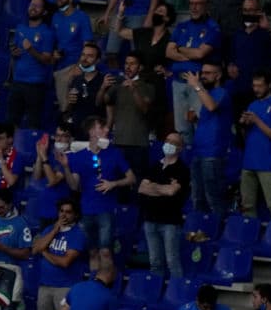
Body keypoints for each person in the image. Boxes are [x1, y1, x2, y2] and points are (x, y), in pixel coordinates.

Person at [60, 115, 136, 270]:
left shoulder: (114, 153)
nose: (107, 130)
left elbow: (132, 178)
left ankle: (106, 285)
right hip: (87, 210)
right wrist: (66, 167)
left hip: (106, 210)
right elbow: (74, 186)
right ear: (92, 131)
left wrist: (113, 183)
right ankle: (95, 284)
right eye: (102, 127)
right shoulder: (78, 157)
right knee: (93, 252)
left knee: (105, 251)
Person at [167, 0, 222, 144]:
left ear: (206, 6)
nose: (194, 7)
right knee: (182, 129)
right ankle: (186, 161)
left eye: (198, 3)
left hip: (198, 84)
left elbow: (200, 54)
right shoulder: (182, 26)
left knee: (200, 124)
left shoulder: (213, 28)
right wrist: (188, 52)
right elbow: (168, 52)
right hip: (178, 82)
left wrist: (180, 49)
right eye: (191, 3)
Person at [138, 131, 189, 279]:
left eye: (173, 143)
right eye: (167, 140)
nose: (169, 144)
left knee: (172, 261)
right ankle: (156, 292)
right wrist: (163, 188)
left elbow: (172, 192)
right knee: (155, 261)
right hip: (150, 220)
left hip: (170, 222)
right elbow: (142, 188)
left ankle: (177, 294)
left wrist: (153, 187)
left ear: (180, 148)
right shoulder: (154, 166)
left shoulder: (182, 170)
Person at [33, 198, 86, 310]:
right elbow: (35, 249)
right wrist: (55, 230)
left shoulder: (77, 234)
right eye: (61, 211)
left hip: (66, 287)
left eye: (68, 212)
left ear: (75, 215)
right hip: (44, 286)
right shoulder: (50, 229)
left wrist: (45, 252)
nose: (63, 215)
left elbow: (65, 262)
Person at [186, 62, 232, 218]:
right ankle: (200, 233)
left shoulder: (222, 93)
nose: (203, 76)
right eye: (202, 72)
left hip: (213, 152)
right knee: (197, 197)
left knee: (213, 197)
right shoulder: (207, 92)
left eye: (207, 73)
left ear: (218, 75)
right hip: (198, 151)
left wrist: (197, 86)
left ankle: (218, 232)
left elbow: (212, 107)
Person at [99, 52, 155, 175]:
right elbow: (100, 102)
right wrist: (103, 87)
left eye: (132, 64)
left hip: (138, 143)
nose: (128, 67)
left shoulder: (148, 87)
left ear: (140, 67)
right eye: (126, 63)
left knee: (138, 183)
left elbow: (144, 108)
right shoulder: (118, 85)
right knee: (118, 182)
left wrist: (133, 90)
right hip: (118, 142)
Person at [239, 73, 271, 220]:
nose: (256, 89)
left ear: (269, 85)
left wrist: (257, 120)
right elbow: (244, 134)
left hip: (268, 163)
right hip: (249, 162)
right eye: (254, 86)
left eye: (260, 86)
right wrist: (243, 123)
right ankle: (248, 235)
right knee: (247, 205)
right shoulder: (252, 105)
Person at [227, 0, 271, 110]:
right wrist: (231, 66)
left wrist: (268, 27)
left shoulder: (267, 32)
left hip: (261, 90)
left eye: (251, 10)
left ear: (259, 11)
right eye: (245, 10)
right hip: (240, 88)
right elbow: (232, 57)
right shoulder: (237, 33)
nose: (247, 13)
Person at [8, 0, 56, 129]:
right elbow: (16, 50)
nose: (33, 8)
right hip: (17, 81)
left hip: (35, 85)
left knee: (32, 124)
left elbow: (47, 59)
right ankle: (9, 150)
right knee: (11, 122)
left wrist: (31, 50)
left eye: (37, 6)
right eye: (31, 5)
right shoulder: (20, 28)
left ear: (44, 11)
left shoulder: (47, 33)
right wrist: (14, 52)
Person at [0, 188, 32, 310]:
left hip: (8, 272)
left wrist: (3, 248)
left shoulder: (20, 224)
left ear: (10, 204)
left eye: (1, 207)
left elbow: (25, 254)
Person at [30, 124, 74, 229]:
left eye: (63, 136)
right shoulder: (50, 155)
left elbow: (53, 180)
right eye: (57, 135)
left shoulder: (71, 157)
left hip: (61, 211)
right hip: (45, 208)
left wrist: (44, 156)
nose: (59, 139)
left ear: (70, 139)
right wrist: (39, 155)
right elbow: (36, 176)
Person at [64, 42, 106, 135]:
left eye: (90, 56)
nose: (84, 58)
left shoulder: (104, 81)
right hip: (76, 131)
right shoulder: (75, 80)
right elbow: (69, 109)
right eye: (83, 55)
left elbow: (102, 105)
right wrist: (69, 101)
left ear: (97, 60)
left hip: (95, 132)